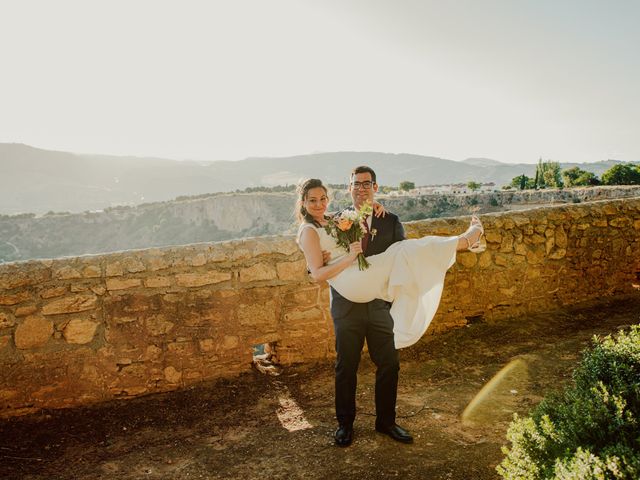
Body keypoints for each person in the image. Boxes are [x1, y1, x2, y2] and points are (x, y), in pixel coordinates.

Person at [295, 168, 484, 447]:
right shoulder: (337, 220)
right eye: (356, 184)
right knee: (346, 366)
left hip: (379, 304)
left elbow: (403, 265)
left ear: (375, 187)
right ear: (348, 189)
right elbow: (316, 264)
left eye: (366, 184)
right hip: (347, 305)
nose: (361, 189)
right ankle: (345, 426)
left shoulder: (391, 221)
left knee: (389, 364)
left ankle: (386, 422)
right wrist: (316, 272)